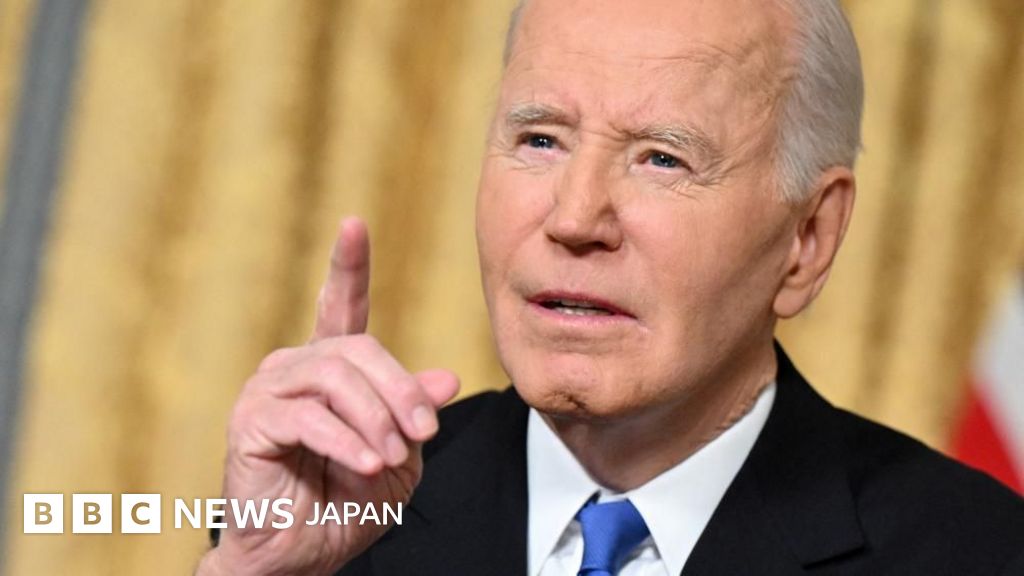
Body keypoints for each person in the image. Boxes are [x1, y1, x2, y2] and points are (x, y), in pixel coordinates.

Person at [196, 0, 1024, 574]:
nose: (574, 217)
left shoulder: (977, 554)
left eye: (662, 158)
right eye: (541, 139)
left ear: (807, 238)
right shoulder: (343, 506)